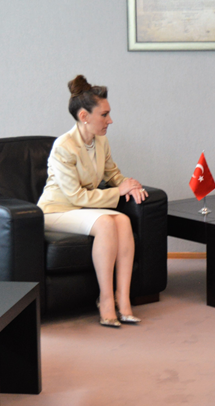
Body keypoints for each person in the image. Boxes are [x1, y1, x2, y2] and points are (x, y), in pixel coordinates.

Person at [37, 75, 149, 328]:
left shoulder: (101, 141)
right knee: (107, 223)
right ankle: (106, 300)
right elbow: (76, 196)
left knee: (123, 221)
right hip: (55, 211)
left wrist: (130, 185)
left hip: (82, 209)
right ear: (84, 116)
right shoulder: (63, 147)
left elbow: (113, 175)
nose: (110, 120)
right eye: (104, 115)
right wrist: (118, 191)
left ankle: (123, 299)